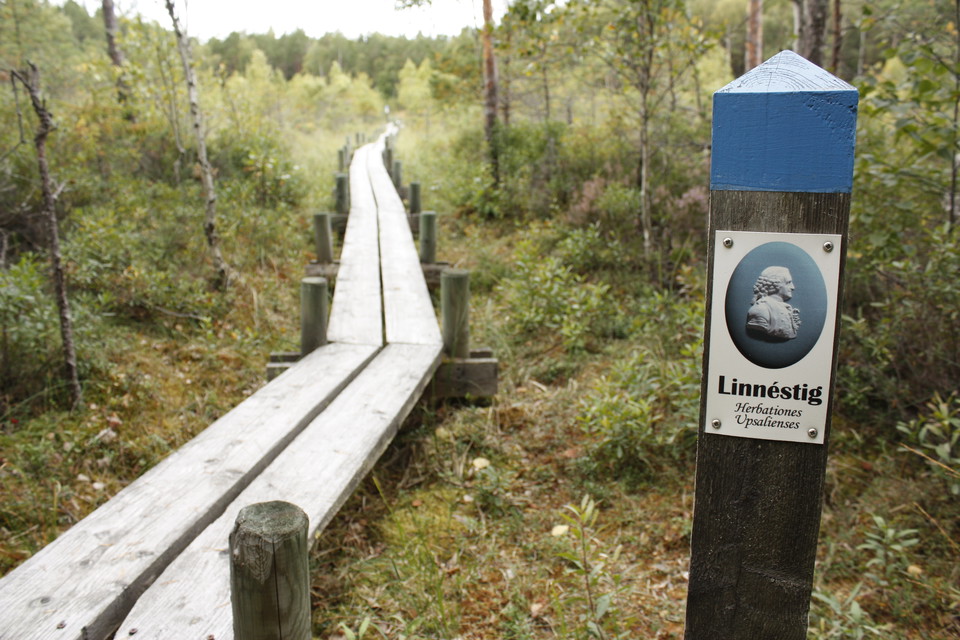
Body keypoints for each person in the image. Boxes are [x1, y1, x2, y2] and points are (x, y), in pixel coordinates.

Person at [746, 266, 800, 341]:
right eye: (788, 283)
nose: (792, 287)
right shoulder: (761, 309)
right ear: (776, 285)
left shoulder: (786, 308)